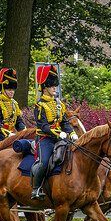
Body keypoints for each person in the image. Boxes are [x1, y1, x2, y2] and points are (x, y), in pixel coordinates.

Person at [31, 64, 77, 200]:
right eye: (52, 86)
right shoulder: (40, 105)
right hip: (44, 139)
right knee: (44, 162)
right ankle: (36, 189)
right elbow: (43, 126)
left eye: (55, 86)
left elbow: (64, 122)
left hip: (59, 138)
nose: (54, 88)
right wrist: (58, 134)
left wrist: (71, 132)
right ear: (45, 87)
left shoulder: (59, 104)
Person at [0, 67, 26, 144]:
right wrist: (8, 134)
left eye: (13, 90)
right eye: (9, 90)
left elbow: (18, 121)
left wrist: (24, 130)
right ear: (3, 89)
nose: (12, 92)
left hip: (11, 134)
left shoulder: (14, 104)